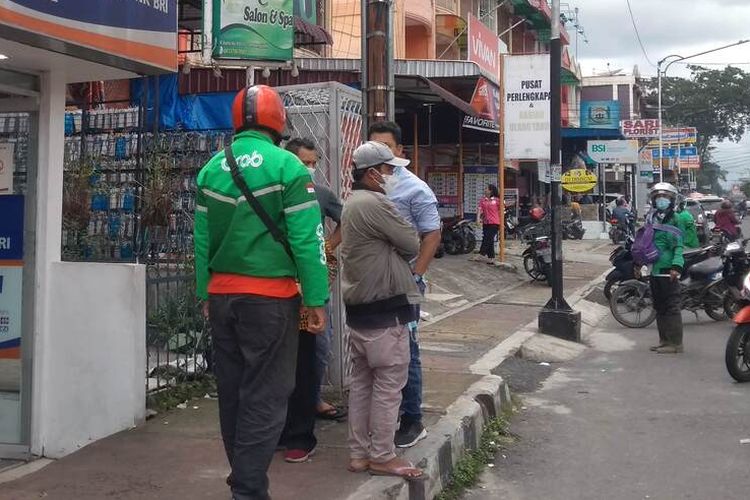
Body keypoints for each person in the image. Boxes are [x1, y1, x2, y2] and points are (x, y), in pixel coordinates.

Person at [194, 85, 329, 500]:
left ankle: (244, 481)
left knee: (233, 394)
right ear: (278, 122)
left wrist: (204, 293)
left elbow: (201, 241)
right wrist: (315, 298)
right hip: (270, 301)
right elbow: (308, 240)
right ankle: (249, 490)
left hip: (222, 298)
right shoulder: (288, 167)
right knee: (267, 396)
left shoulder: (211, 169)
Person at [341, 140, 424, 479]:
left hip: (361, 311)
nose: (394, 175)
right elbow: (411, 242)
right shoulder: (376, 203)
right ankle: (382, 455)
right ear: (373, 174)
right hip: (385, 310)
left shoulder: (353, 202)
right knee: (389, 386)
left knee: (362, 385)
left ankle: (360, 454)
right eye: (390, 170)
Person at [368, 121, 441, 448]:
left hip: (404, 284)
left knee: (405, 350)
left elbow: (432, 233)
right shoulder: (365, 184)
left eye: (386, 147)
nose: (380, 154)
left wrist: (416, 276)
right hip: (370, 284)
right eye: (374, 147)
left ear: (399, 151)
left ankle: (412, 418)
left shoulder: (416, 189)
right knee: (373, 350)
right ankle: (385, 414)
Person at [277, 138, 344, 464]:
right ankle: (277, 432)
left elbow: (344, 223)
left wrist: (328, 248)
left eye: (314, 162)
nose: (310, 168)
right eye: (306, 161)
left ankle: (300, 433)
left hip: (308, 287)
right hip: (273, 287)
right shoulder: (271, 191)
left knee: (308, 359)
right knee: (275, 366)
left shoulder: (319, 194)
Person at [644, 182, 685, 354]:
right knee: (659, 307)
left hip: (669, 269)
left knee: (671, 307)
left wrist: (676, 266)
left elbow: (679, 246)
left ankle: (676, 344)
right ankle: (664, 340)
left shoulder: (676, 219)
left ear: (672, 200)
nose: (661, 200)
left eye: (666, 197)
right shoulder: (651, 218)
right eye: (658, 197)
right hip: (654, 269)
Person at [472, 184, 501, 264]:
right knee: (489, 240)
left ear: (490, 190)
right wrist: (478, 219)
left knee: (487, 239)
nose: (485, 190)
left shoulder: (497, 200)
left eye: (486, 189)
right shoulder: (483, 200)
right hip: (486, 222)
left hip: (494, 223)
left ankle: (481, 254)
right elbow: (479, 210)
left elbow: (501, 210)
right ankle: (491, 258)